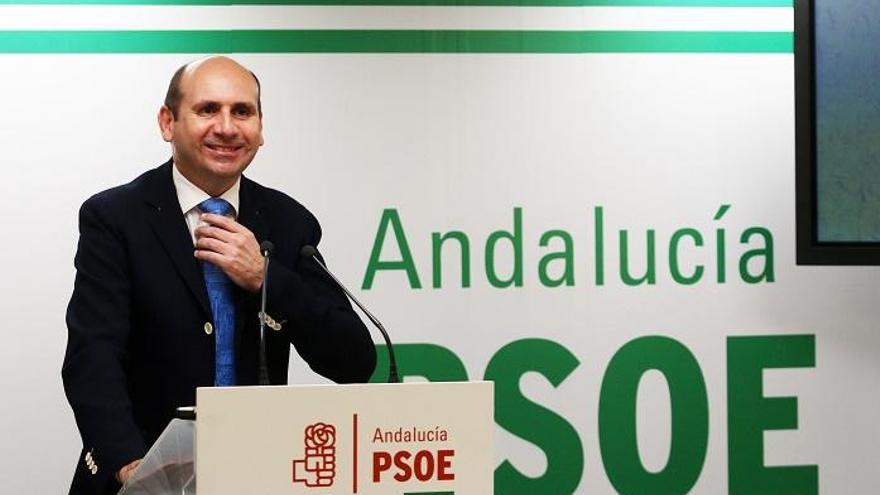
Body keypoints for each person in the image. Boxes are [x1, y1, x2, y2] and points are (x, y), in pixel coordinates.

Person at [62, 56, 377, 495]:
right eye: (208, 109)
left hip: (255, 476)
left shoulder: (287, 222)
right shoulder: (116, 218)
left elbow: (354, 363)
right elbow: (92, 357)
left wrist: (266, 279)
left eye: (242, 112)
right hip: (142, 480)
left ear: (261, 129)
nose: (227, 128)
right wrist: (132, 467)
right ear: (168, 122)